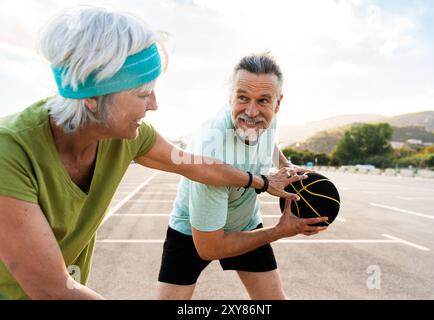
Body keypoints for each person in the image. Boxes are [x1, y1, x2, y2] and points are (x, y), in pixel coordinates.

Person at [0, 6, 305, 300]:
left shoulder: (128, 135)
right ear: (93, 98)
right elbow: (54, 291)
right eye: (143, 93)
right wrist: (278, 228)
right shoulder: (8, 153)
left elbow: (199, 168)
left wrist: (263, 182)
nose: (154, 104)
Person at [156, 52, 329, 300]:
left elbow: (268, 140)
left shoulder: (268, 120)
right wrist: (280, 230)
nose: (251, 111)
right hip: (192, 232)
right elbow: (209, 248)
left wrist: (285, 164)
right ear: (230, 97)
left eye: (263, 101)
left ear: (277, 104)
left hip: (245, 223)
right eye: (243, 98)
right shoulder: (212, 150)